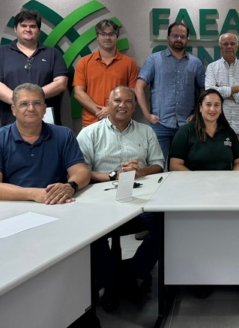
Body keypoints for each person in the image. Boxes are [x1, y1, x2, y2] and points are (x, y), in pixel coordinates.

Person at [77, 85, 163, 312]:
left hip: (140, 200)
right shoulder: (89, 133)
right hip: (102, 202)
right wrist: (113, 175)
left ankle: (134, 271)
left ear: (134, 106)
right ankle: (110, 281)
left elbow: (158, 165)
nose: (122, 105)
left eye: (128, 101)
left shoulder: (146, 132)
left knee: (166, 224)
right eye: (117, 101)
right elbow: (80, 172)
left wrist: (140, 171)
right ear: (108, 104)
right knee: (89, 233)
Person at [0, 83, 89, 204]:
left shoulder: (64, 135)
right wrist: (34, 194)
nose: (31, 108)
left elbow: (81, 172)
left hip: (52, 204)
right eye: (24, 104)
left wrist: (70, 186)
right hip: (9, 206)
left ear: (44, 108)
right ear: (14, 110)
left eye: (37, 103)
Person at [0, 9, 68, 127]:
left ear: (38, 30)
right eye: (23, 25)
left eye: (33, 26)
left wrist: (31, 99)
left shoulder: (53, 54)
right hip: (11, 121)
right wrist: (20, 101)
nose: (28, 29)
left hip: (46, 122)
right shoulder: (0, 53)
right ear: (15, 29)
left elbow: (61, 84)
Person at [135, 22, 205, 162]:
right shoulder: (154, 60)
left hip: (186, 126)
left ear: (187, 39)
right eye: (175, 35)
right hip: (160, 125)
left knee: (185, 167)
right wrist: (147, 115)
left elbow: (203, 91)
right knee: (156, 166)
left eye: (182, 36)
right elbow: (138, 87)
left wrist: (197, 113)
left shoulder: (195, 63)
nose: (179, 39)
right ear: (168, 37)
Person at [73, 20, 139, 127]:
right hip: (91, 122)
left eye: (111, 34)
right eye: (103, 34)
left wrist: (110, 110)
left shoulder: (129, 63)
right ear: (97, 36)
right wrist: (99, 112)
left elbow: (132, 94)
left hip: (119, 123)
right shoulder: (84, 62)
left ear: (117, 37)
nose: (107, 38)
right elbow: (78, 92)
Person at [205, 33, 239, 156]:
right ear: (220, 47)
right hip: (218, 126)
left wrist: (226, 95)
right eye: (225, 44)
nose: (229, 46)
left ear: (237, 47)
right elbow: (209, 92)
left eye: (232, 44)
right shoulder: (212, 67)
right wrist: (237, 89)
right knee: (218, 162)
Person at [169, 89, 239, 171]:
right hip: (193, 179)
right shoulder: (185, 132)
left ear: (221, 109)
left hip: (224, 179)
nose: (212, 109)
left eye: (217, 105)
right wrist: (195, 178)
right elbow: (174, 165)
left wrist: (233, 177)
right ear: (200, 107)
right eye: (208, 104)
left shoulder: (228, 132)